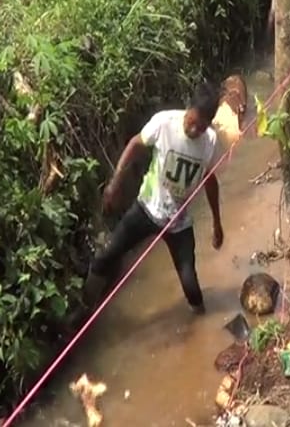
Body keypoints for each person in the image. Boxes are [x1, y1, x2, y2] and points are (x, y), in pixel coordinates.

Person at [84, 82, 224, 314]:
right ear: (188, 109)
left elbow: (210, 180)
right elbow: (135, 144)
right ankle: (85, 308)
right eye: (192, 123)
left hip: (178, 223)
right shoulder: (164, 123)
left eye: (201, 127)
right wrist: (115, 183)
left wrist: (217, 223)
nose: (194, 131)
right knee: (105, 257)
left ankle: (201, 324)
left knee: (192, 288)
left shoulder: (209, 140)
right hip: (146, 209)